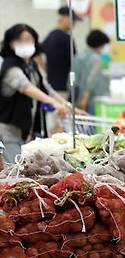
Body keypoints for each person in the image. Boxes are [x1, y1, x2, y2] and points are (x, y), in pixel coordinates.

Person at [0, 24, 71, 162]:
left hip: (28, 131)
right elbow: (28, 88)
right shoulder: (10, 67)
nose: (25, 44)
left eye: (28, 40)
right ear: (11, 43)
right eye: (19, 40)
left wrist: (67, 105)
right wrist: (55, 105)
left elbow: (46, 88)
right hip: (9, 131)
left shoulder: (32, 65)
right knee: (14, 169)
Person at [42, 6, 81, 95]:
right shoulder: (67, 39)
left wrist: (45, 69)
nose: (74, 24)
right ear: (66, 19)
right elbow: (74, 63)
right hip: (63, 86)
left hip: (51, 84)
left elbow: (37, 53)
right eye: (73, 20)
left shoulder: (51, 35)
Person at [74, 30, 111, 114]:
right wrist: (85, 99)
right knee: (93, 123)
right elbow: (91, 80)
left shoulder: (79, 56)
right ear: (99, 45)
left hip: (78, 96)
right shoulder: (96, 58)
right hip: (92, 99)